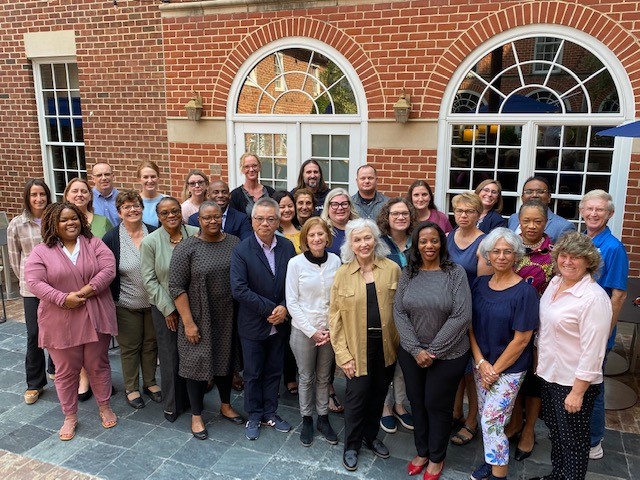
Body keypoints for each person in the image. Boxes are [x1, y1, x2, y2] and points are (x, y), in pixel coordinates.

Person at [24, 202, 118, 441]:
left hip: (94, 314)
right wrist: (64, 299)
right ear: (53, 224)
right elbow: (34, 282)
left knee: (98, 364)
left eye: (74, 218)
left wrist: (85, 292)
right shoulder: (41, 251)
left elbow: (108, 269)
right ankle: (70, 415)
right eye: (64, 220)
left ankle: (104, 405)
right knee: (66, 372)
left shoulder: (93, 243)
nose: (70, 223)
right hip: (60, 319)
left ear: (81, 220)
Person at [393, 221, 472, 479]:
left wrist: (432, 350)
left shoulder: (455, 273)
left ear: (442, 243)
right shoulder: (409, 273)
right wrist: (416, 349)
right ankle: (422, 451)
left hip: (448, 355)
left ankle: (437, 457)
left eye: (434, 240)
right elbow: (399, 311)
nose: (429, 245)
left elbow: (461, 316)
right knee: (417, 402)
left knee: (436, 404)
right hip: (412, 352)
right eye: (423, 241)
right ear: (416, 244)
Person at [533, 232, 612, 480]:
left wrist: (578, 392)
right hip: (550, 374)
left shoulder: (593, 298)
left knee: (574, 442)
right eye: (563, 256)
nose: (567, 262)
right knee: (556, 433)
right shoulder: (556, 283)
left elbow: (594, 351)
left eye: (575, 257)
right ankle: (558, 475)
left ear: (588, 261)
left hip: (572, 383)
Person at [169, 201, 244, 440]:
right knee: (195, 366)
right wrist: (188, 323)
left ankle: (225, 404)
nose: (213, 221)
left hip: (227, 315)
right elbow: (176, 287)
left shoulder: (234, 243)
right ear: (198, 220)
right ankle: (197, 415)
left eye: (217, 217)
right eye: (207, 218)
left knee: (225, 361)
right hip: (198, 316)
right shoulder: (186, 248)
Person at [329, 219, 400, 472]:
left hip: (385, 346)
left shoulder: (392, 269)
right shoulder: (342, 274)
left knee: (378, 395)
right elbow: (334, 318)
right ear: (350, 244)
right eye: (357, 240)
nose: (363, 244)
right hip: (356, 349)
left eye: (367, 238)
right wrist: (343, 355)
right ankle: (351, 445)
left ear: (376, 240)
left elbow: (401, 310)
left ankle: (371, 437)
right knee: (356, 397)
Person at [468, 228, 539, 480]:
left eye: (507, 251)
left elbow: (522, 339)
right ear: (488, 255)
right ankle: (491, 460)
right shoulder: (478, 285)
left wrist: (494, 369)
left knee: (491, 421)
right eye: (495, 251)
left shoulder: (525, 292)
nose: (501, 256)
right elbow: (471, 328)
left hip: (508, 369)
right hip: (482, 364)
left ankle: (499, 475)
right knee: (487, 415)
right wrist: (480, 362)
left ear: (516, 255)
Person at [230, 197, 297, 441]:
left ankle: (271, 412)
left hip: (280, 323)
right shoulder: (241, 250)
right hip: (254, 324)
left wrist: (284, 307)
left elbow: (294, 282)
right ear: (252, 220)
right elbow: (239, 289)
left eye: (270, 219)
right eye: (260, 219)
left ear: (278, 221)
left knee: (273, 371)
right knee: (253, 373)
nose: (265, 223)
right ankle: (254, 415)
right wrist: (272, 309)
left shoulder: (288, 247)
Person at [579, 190, 628, 460]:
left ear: (610, 214)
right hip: (578, 329)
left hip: (597, 332)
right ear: (582, 211)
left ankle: (594, 441)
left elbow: (618, 296)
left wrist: (604, 335)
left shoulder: (613, 247)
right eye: (590, 209)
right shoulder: (584, 241)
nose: (594, 214)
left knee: (593, 386)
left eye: (600, 210)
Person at [141, 197, 198, 422]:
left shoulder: (195, 233)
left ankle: (195, 399)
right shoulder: (151, 242)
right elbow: (149, 279)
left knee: (193, 354)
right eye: (165, 213)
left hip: (195, 306)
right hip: (166, 309)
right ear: (159, 217)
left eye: (175, 211)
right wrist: (169, 309)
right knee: (170, 355)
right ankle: (173, 403)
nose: (171, 216)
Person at [505, 200, 554, 460]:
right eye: (526, 221)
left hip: (539, 330)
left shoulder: (554, 253)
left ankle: (529, 430)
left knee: (534, 381)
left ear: (546, 222)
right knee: (513, 376)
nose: (531, 226)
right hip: (508, 325)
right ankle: (513, 423)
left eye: (537, 221)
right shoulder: (509, 248)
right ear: (519, 222)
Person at [285, 217, 341, 446]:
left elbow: (338, 297)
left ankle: (323, 418)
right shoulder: (296, 264)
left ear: (327, 237)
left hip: (329, 331)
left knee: (324, 377)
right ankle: (307, 418)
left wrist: (329, 329)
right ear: (305, 239)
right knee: (306, 377)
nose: (317, 238)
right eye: (312, 235)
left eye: (321, 234)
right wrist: (312, 331)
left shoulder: (336, 261)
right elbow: (292, 301)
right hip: (303, 331)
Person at [102, 190, 160, 410]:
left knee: (150, 345)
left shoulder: (154, 233)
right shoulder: (112, 238)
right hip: (126, 304)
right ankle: (131, 387)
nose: (132, 209)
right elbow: (107, 272)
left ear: (142, 208)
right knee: (130, 347)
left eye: (136, 205)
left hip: (153, 303)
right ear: (119, 212)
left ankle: (151, 383)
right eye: (126, 206)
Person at [448, 192, 493, 446]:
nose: (463, 215)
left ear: (478, 214)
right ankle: (455, 412)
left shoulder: (484, 243)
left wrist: (470, 319)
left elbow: (483, 287)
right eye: (459, 211)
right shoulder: (448, 238)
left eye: (469, 211)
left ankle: (472, 420)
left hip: (473, 313)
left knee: (471, 373)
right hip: (450, 313)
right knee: (455, 368)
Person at [64, 177, 113, 401]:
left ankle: (100, 380)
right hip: (68, 294)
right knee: (76, 338)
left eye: (84, 191)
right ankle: (84, 378)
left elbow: (111, 255)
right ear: (67, 195)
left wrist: (93, 286)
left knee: (97, 341)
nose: (80, 194)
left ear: (90, 195)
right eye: (75, 191)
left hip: (97, 289)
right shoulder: (58, 222)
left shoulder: (102, 222)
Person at [7, 179, 55, 405]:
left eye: (42, 194)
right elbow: (16, 260)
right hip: (31, 290)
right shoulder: (17, 224)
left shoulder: (55, 218)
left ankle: (56, 368)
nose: (39, 199)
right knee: (34, 334)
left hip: (56, 286)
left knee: (57, 331)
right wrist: (29, 280)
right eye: (34, 195)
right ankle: (35, 383)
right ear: (27, 197)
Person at [376, 198, 415, 433]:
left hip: (413, 312)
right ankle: (384, 406)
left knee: (403, 361)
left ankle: (400, 405)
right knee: (384, 360)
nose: (400, 217)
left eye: (404, 213)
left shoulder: (417, 241)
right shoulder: (379, 244)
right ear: (387, 217)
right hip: (385, 309)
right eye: (395, 214)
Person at [320, 187, 359, 412]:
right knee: (329, 344)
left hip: (355, 293)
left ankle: (354, 390)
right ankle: (329, 390)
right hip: (329, 294)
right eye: (334, 204)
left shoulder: (357, 228)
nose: (340, 208)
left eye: (344, 203)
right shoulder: (323, 229)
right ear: (328, 207)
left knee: (350, 342)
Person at [507, 176, 575, 242]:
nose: (534, 195)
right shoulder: (514, 218)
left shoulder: (564, 226)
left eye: (540, 192)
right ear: (522, 197)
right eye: (529, 192)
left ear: (549, 197)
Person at [187, 180, 252, 240]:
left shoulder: (241, 218)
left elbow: (246, 242)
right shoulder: (194, 220)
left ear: (229, 195)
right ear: (208, 195)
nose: (220, 195)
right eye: (216, 192)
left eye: (224, 192)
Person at [137, 160, 165, 228]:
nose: (150, 181)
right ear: (139, 179)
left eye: (153, 177)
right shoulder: (134, 202)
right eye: (145, 177)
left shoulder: (166, 200)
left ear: (158, 178)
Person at [91, 162, 120, 226]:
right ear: (93, 179)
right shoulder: (88, 199)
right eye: (99, 175)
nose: (104, 178)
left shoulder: (122, 198)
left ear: (113, 176)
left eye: (107, 174)